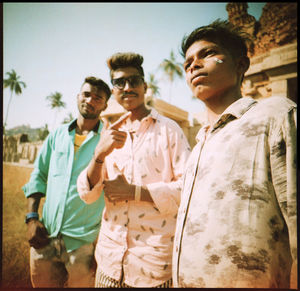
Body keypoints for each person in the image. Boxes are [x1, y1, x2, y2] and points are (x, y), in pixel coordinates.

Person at [172, 19, 297, 289]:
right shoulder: (199, 144)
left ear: (241, 65)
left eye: (207, 53)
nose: (193, 64)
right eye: (187, 63)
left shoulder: (274, 116)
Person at [77, 52, 191, 288]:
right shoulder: (109, 134)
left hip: (153, 268)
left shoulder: (169, 131)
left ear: (145, 86)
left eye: (134, 81)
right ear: (114, 90)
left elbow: (189, 191)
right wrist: (99, 155)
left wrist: (135, 192)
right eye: (119, 82)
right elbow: (88, 195)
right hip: (108, 264)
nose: (127, 87)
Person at [22, 76, 111, 287]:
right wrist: (32, 218)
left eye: (98, 98)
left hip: (84, 245)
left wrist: (101, 244)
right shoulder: (57, 136)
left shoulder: (108, 141)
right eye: (86, 94)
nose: (90, 100)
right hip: (45, 237)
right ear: (78, 96)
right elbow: (39, 175)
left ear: (105, 105)